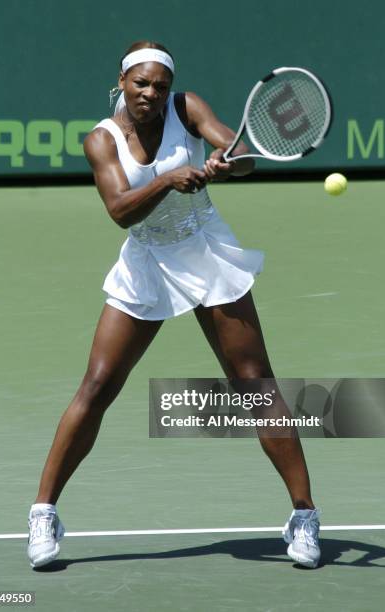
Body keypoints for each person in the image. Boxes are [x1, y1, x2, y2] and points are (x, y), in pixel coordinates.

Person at [27, 41, 321, 570]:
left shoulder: (187, 109)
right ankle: (43, 511)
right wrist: (167, 179)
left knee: (256, 383)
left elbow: (240, 155)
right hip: (148, 260)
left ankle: (304, 516)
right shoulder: (102, 139)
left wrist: (225, 164)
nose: (151, 94)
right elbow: (120, 211)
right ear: (121, 83)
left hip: (205, 248)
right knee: (96, 386)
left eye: (159, 86)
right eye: (141, 84)